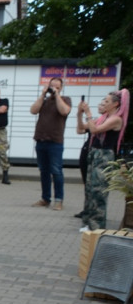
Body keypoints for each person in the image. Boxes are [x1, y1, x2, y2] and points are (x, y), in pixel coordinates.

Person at [76, 89, 128, 231]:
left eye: (106, 101)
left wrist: (88, 114)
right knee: (89, 189)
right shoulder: (102, 118)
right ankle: (87, 221)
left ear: (116, 104)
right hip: (93, 154)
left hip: (104, 156)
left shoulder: (116, 119)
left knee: (99, 191)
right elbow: (80, 129)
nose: (102, 103)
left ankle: (97, 225)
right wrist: (79, 114)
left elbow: (95, 130)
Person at [30, 77, 73, 210]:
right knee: (44, 171)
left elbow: (64, 111)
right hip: (41, 140)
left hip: (55, 141)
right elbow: (33, 110)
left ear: (61, 88)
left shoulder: (65, 99)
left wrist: (57, 95)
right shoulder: (44, 100)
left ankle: (59, 200)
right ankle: (45, 198)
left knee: (56, 171)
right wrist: (43, 94)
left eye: (57, 87)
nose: (53, 89)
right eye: (52, 86)